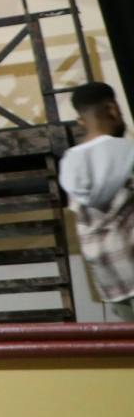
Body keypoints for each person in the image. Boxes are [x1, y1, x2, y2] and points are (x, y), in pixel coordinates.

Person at [57, 83, 134, 322]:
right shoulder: (129, 152)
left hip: (110, 276)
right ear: (112, 108)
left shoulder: (69, 163)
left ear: (81, 120)